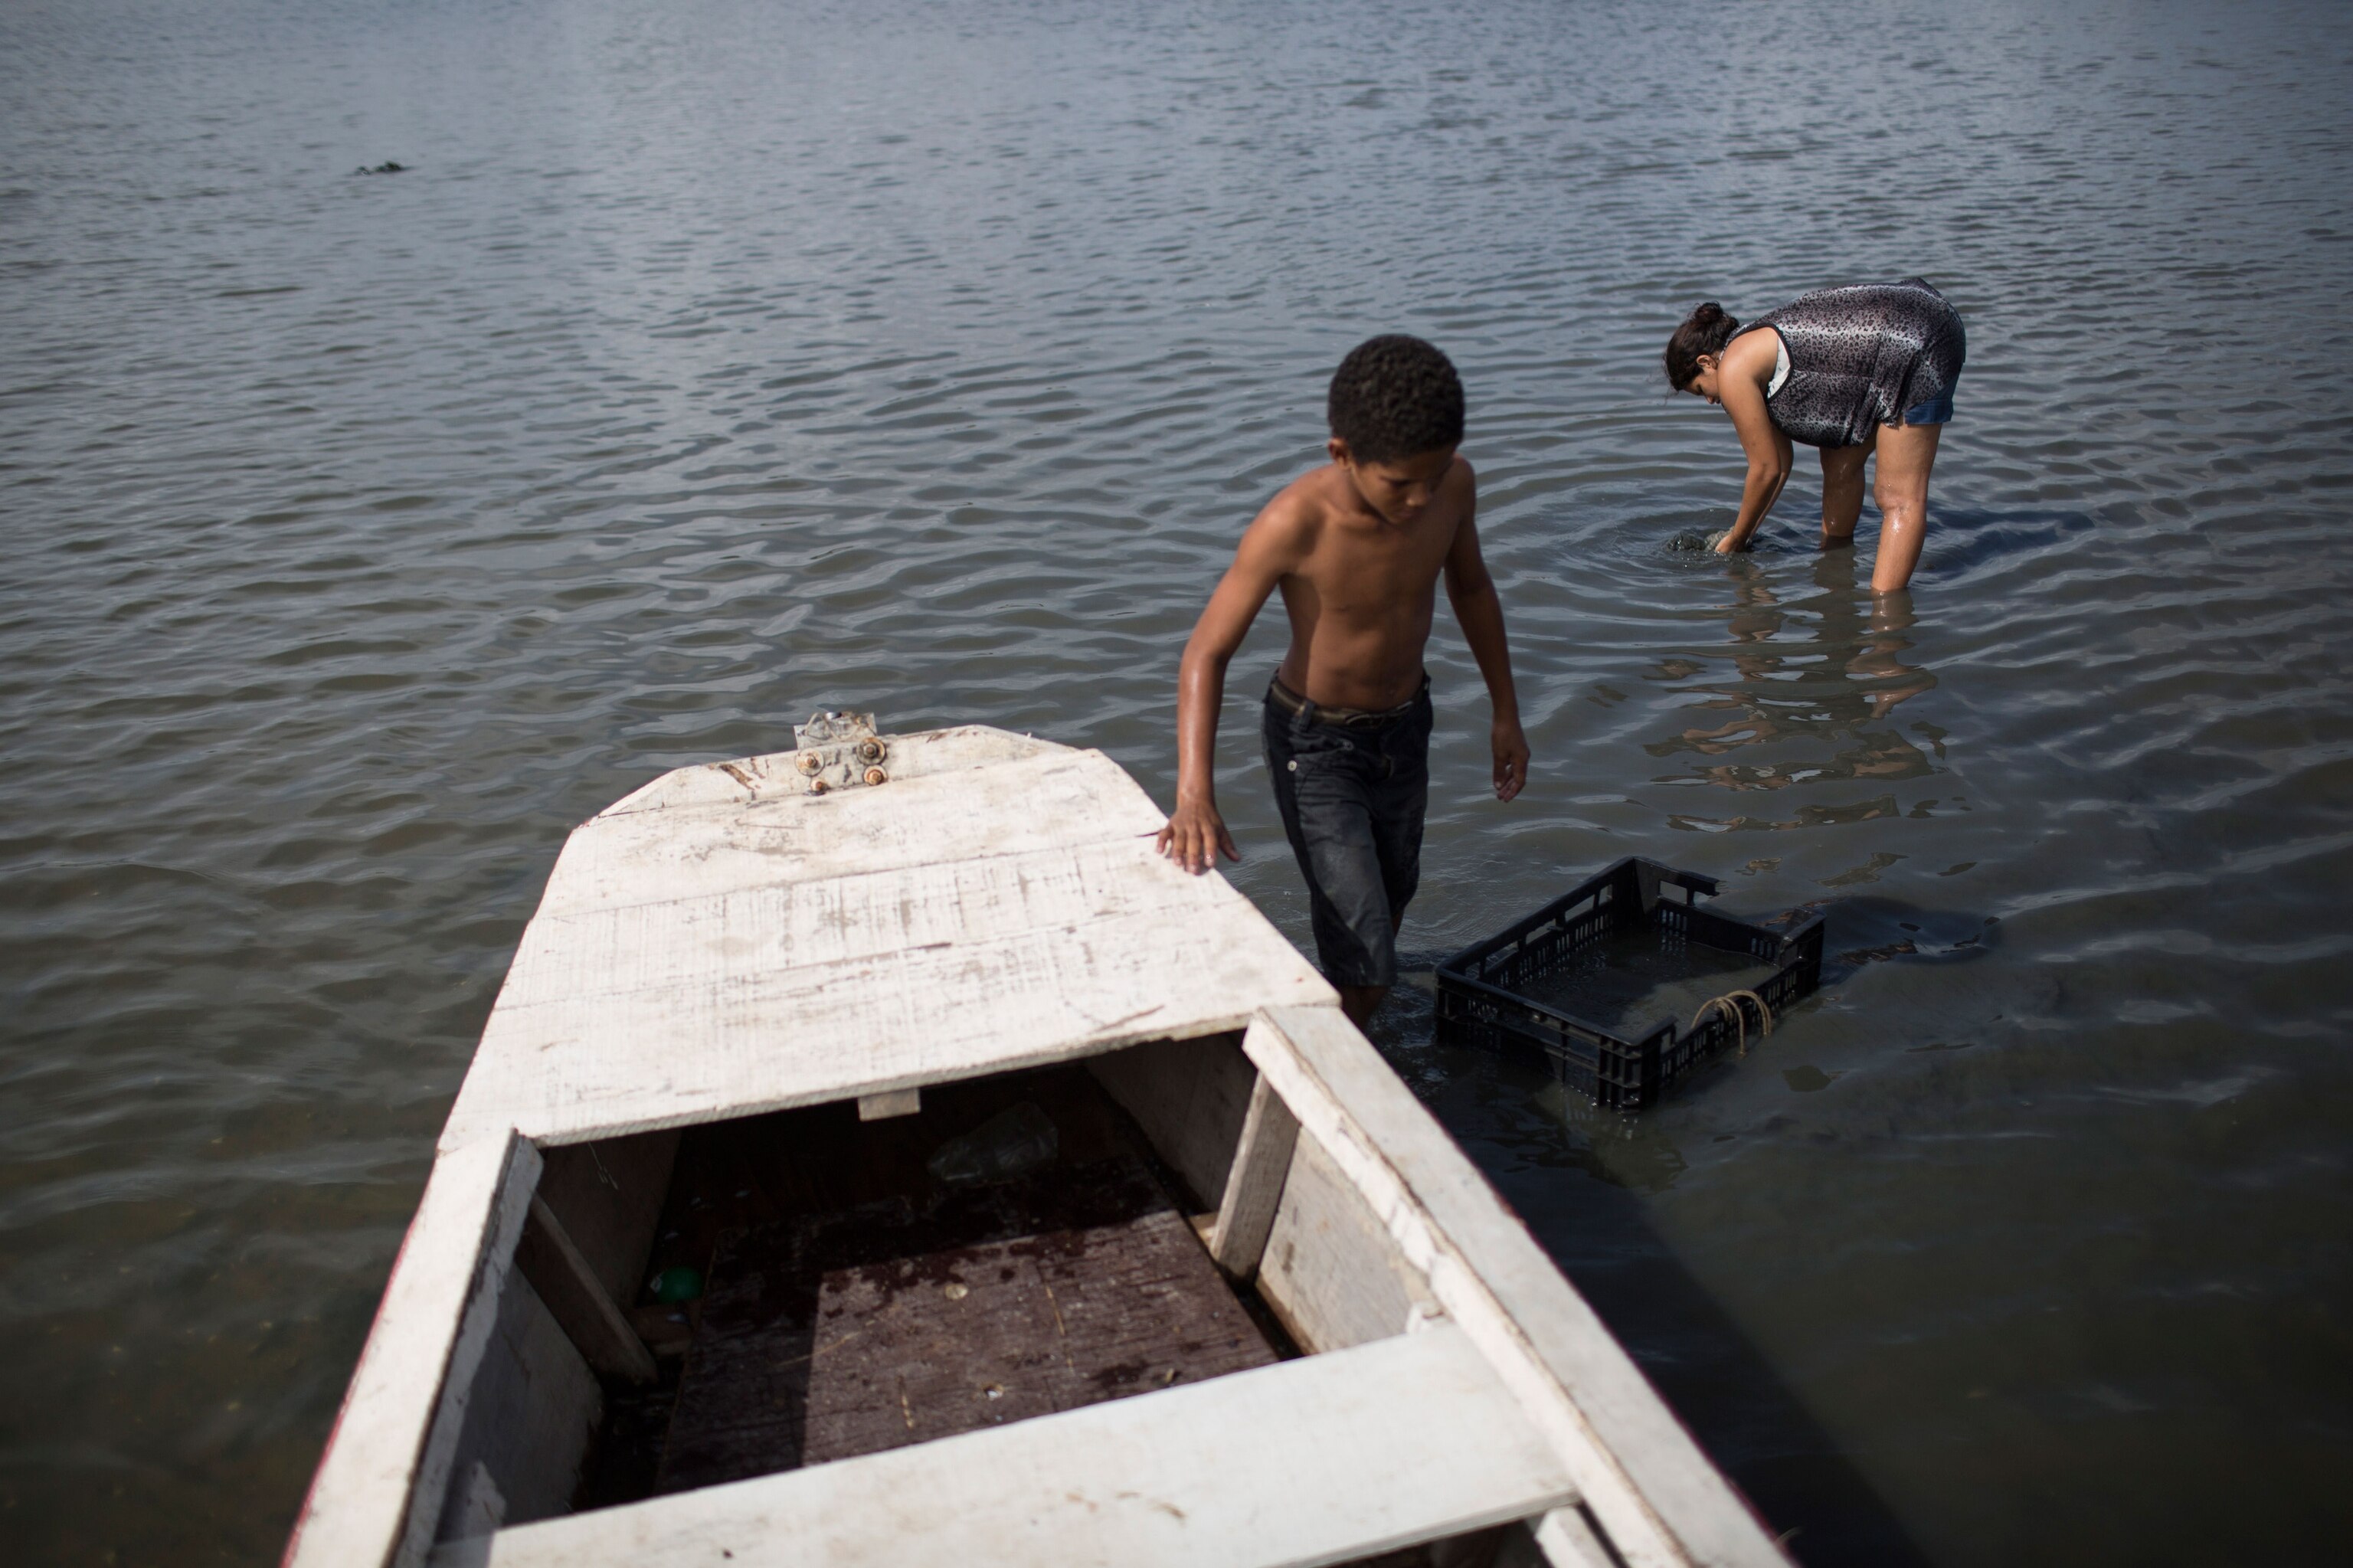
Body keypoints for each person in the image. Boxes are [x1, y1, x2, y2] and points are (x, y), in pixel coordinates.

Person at [1156, 336, 1530, 1028]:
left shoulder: (1454, 486)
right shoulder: (1294, 523)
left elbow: (1472, 587)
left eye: (1436, 472)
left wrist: (1505, 711)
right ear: (1342, 455)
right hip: (1314, 744)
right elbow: (1206, 651)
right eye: (1399, 484)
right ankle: (1338, 1057)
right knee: (1366, 951)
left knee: (1389, 903)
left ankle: (1341, 1015)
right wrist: (1193, 794)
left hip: (1406, 727)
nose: (1421, 499)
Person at [1663, 279, 1965, 593]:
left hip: (1917, 337)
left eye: (1701, 391)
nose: (1712, 400)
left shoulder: (1733, 369)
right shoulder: (1749, 351)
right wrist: (1746, 534)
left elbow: (1765, 470)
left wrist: (1735, 540)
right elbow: (1779, 464)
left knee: (1897, 497)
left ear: (1706, 363)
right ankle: (1836, 575)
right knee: (1839, 467)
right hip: (1905, 323)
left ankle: (1886, 622)